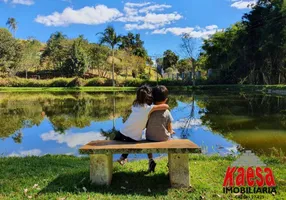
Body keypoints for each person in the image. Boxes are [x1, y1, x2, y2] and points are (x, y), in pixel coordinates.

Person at [114, 85, 169, 165]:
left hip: (121, 133)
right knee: (132, 140)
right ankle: (123, 157)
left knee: (115, 141)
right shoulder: (149, 108)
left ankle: (123, 158)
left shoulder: (135, 105)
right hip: (134, 138)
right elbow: (166, 106)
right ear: (150, 97)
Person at [145, 85, 175, 173]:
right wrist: (171, 131)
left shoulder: (149, 111)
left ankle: (151, 160)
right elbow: (170, 129)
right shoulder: (167, 112)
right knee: (171, 140)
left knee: (148, 142)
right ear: (166, 99)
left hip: (150, 138)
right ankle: (170, 162)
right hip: (164, 139)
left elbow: (146, 125)